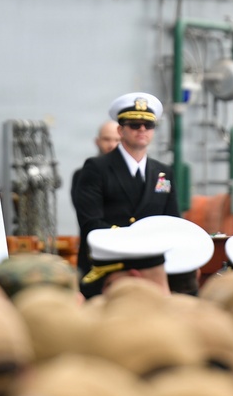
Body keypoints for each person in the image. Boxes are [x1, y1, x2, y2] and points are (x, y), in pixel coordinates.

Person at [72, 92, 179, 279]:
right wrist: (136, 240)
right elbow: (91, 223)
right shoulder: (96, 168)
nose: (142, 129)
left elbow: (171, 220)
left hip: (151, 269)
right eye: (135, 125)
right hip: (109, 268)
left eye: (149, 125)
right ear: (121, 131)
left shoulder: (163, 173)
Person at [69, 120, 120, 211]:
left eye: (117, 140)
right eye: (106, 139)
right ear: (97, 141)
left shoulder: (134, 173)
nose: (112, 145)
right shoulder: (82, 174)